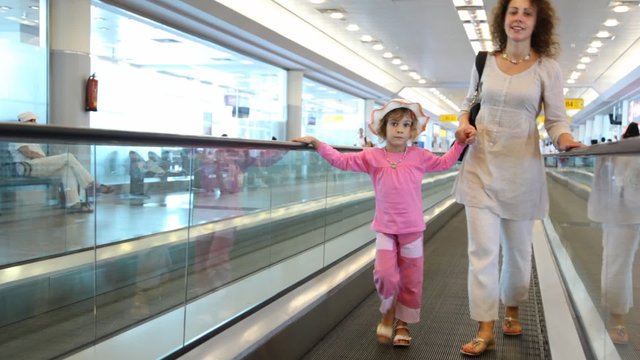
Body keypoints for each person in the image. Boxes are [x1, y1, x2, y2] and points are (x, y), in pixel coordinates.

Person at [452, 0, 584, 356]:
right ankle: (484, 327)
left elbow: (556, 118)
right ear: (503, 18)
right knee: (481, 252)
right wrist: (463, 124)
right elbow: (468, 104)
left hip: (522, 173)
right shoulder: (484, 61)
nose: (519, 18)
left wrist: (566, 139)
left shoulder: (548, 68)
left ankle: (512, 306)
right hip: (480, 166)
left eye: (527, 13)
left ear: (537, 21)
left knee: (519, 253)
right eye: (513, 11)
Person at [293, 99, 472, 347]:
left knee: (411, 280)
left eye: (406, 125)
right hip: (386, 229)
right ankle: (387, 310)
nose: (400, 129)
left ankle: (402, 323)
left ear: (412, 131)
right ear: (384, 128)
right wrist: (317, 143)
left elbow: (445, 163)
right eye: (395, 124)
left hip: (412, 230)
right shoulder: (372, 157)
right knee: (385, 275)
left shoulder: (419, 156)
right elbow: (342, 161)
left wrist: (460, 143)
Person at [587, 122, 640, 344]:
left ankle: (617, 319)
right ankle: (617, 318)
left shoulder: (618, 150)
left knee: (618, 261)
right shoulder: (622, 152)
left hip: (626, 212)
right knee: (619, 262)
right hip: (626, 212)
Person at [10, 112, 113, 213]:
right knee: (68, 157)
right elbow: (27, 152)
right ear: (23, 122)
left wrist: (47, 160)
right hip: (26, 167)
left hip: (37, 165)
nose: (34, 123)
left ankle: (74, 203)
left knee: (66, 170)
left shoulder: (31, 137)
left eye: (34, 120)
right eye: (31, 121)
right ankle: (94, 185)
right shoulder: (18, 134)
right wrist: (45, 159)